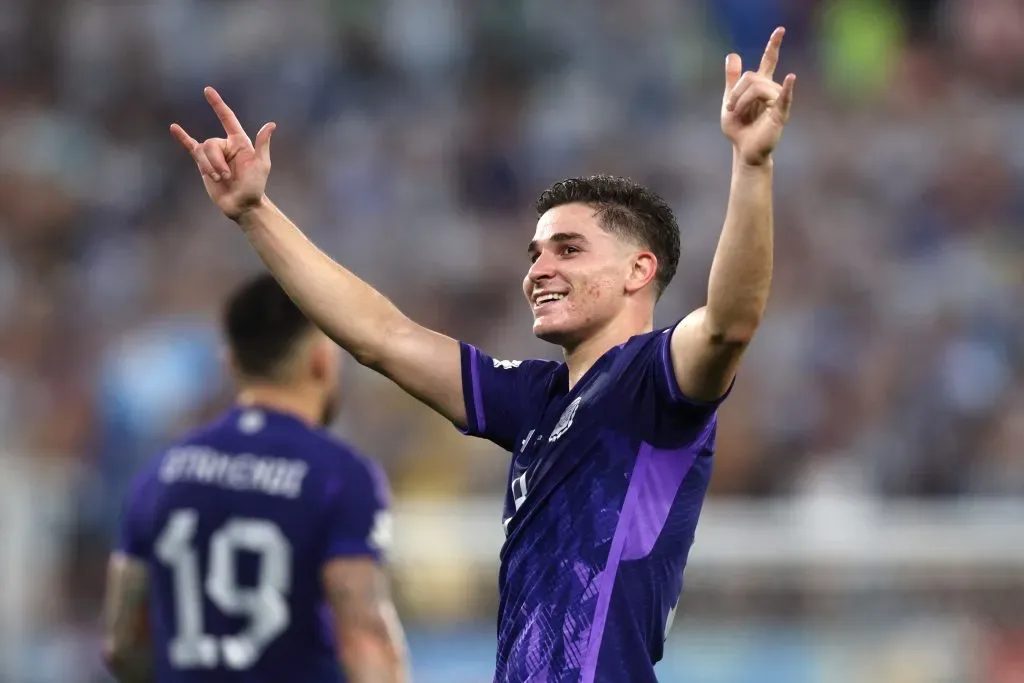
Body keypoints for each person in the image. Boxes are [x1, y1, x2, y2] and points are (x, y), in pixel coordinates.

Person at [170, 27, 795, 683]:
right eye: (535, 253)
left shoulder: (656, 384)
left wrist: (752, 167)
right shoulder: (533, 400)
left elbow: (729, 323)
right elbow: (381, 336)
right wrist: (254, 212)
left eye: (568, 249)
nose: (538, 270)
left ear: (640, 270)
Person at [100, 274, 408, 683]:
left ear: (231, 364)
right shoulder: (340, 476)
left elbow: (121, 645)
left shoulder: (161, 474)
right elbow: (365, 640)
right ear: (322, 360)